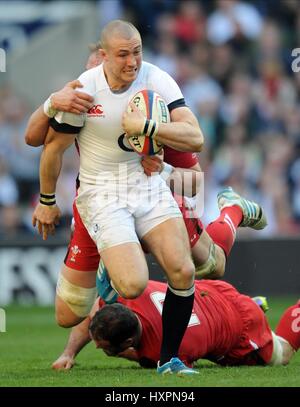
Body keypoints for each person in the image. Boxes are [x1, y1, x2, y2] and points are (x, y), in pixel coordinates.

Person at [25, 39, 267, 323]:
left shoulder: (154, 115)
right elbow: (33, 138)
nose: (96, 81)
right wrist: (51, 103)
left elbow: (194, 184)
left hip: (155, 199)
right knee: (69, 314)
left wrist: (163, 170)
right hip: (101, 202)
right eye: (92, 71)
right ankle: (118, 279)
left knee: (211, 266)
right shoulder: (79, 99)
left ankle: (233, 210)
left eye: (106, 69)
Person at [30, 19, 206, 375]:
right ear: (103, 56)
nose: (132, 62)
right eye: (123, 55)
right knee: (130, 285)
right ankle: (109, 269)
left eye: (137, 52)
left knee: (186, 268)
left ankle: (168, 360)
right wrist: (47, 201)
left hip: (150, 185)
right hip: (102, 194)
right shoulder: (84, 91)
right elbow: (49, 149)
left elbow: (195, 138)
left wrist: (149, 128)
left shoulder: (156, 78)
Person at [52, 278, 299, 373]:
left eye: (104, 347)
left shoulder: (160, 351)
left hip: (240, 328)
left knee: (282, 353)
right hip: (210, 292)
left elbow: (141, 356)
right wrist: (68, 353)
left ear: (129, 343)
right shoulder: (128, 293)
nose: (97, 348)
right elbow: (93, 316)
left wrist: (117, 353)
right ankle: (231, 212)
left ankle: (261, 308)